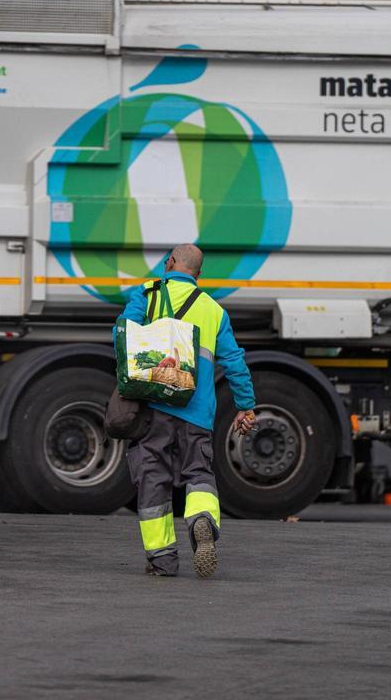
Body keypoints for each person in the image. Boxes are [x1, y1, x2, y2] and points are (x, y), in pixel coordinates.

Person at [115, 244, 256, 578]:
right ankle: (202, 520)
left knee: (153, 479)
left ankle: (162, 558)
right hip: (197, 412)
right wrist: (246, 406)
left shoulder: (146, 294)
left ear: (170, 263)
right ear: (198, 273)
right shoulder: (213, 310)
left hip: (152, 410)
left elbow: (122, 336)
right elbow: (234, 362)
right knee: (198, 473)